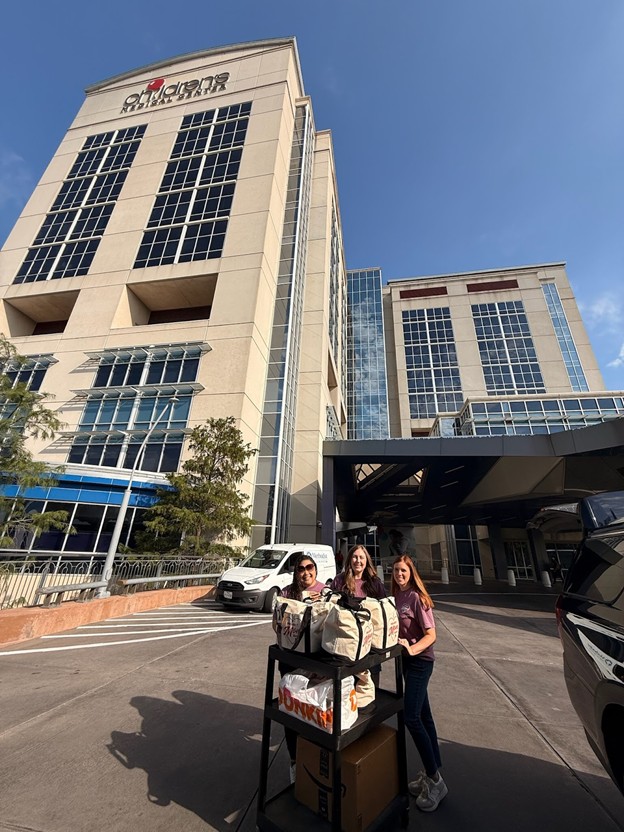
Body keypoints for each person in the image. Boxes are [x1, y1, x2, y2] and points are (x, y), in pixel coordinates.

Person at [392, 555, 448, 813]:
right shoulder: (397, 596)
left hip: (420, 663)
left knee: (411, 718)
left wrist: (412, 649)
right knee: (425, 717)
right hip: (406, 662)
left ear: (411, 572)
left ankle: (436, 781)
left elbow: (431, 634)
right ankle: (431, 770)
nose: (399, 574)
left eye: (403, 570)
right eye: (396, 570)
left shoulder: (417, 598)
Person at [276, 553, 325, 783]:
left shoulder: (324, 590)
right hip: (291, 661)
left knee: (313, 710)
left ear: (315, 569)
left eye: (310, 567)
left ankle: (313, 760)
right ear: (295, 572)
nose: (306, 572)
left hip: (316, 663)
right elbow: (277, 624)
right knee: (291, 712)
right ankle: (295, 760)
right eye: (301, 568)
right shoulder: (287, 593)